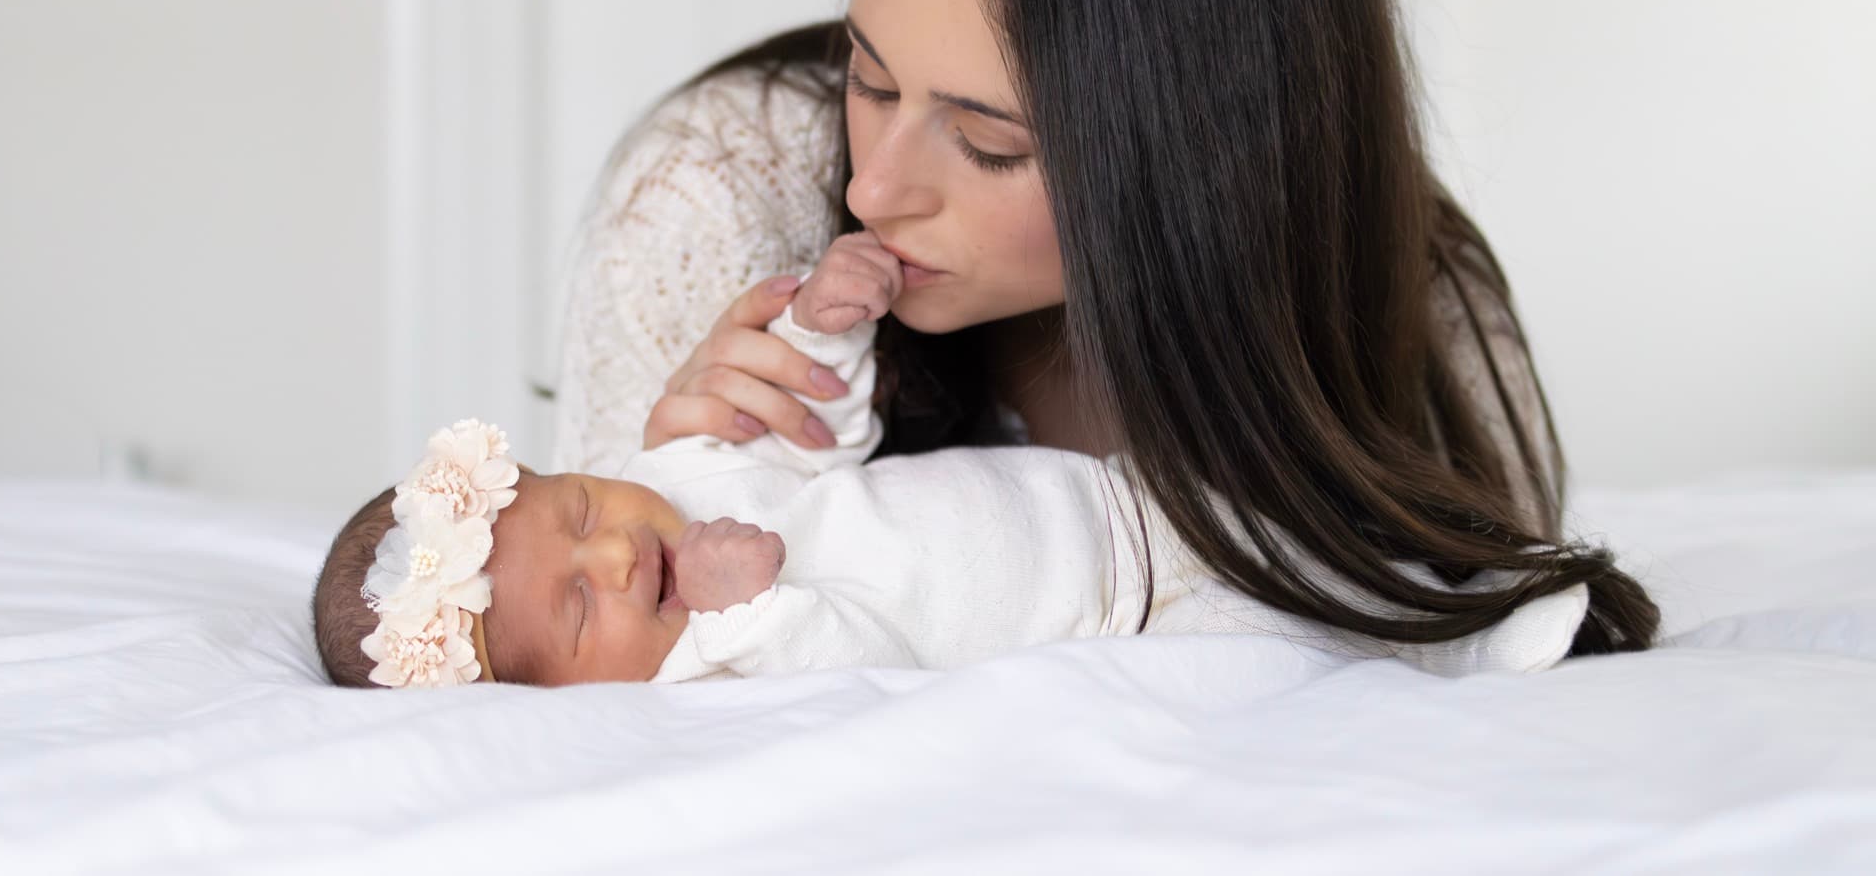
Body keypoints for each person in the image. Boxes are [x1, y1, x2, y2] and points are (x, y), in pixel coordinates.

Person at [545, 0, 1658, 655]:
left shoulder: (1415, 298)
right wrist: (657, 471)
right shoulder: (716, 195)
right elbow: (589, 687)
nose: (873, 191)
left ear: (1205, 154)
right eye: (870, 80)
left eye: (988, 143)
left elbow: (1466, 622)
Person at [311, 234, 1587, 688]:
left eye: (581, 508)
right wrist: (753, 608)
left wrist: (828, 321)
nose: (612, 553)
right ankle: (1464, 656)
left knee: (1286, 512)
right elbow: (862, 671)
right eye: (579, 608)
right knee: (1277, 652)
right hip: (1115, 625)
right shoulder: (706, 672)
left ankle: (1457, 576)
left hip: (1105, 496)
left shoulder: (679, 469)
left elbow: (815, 427)